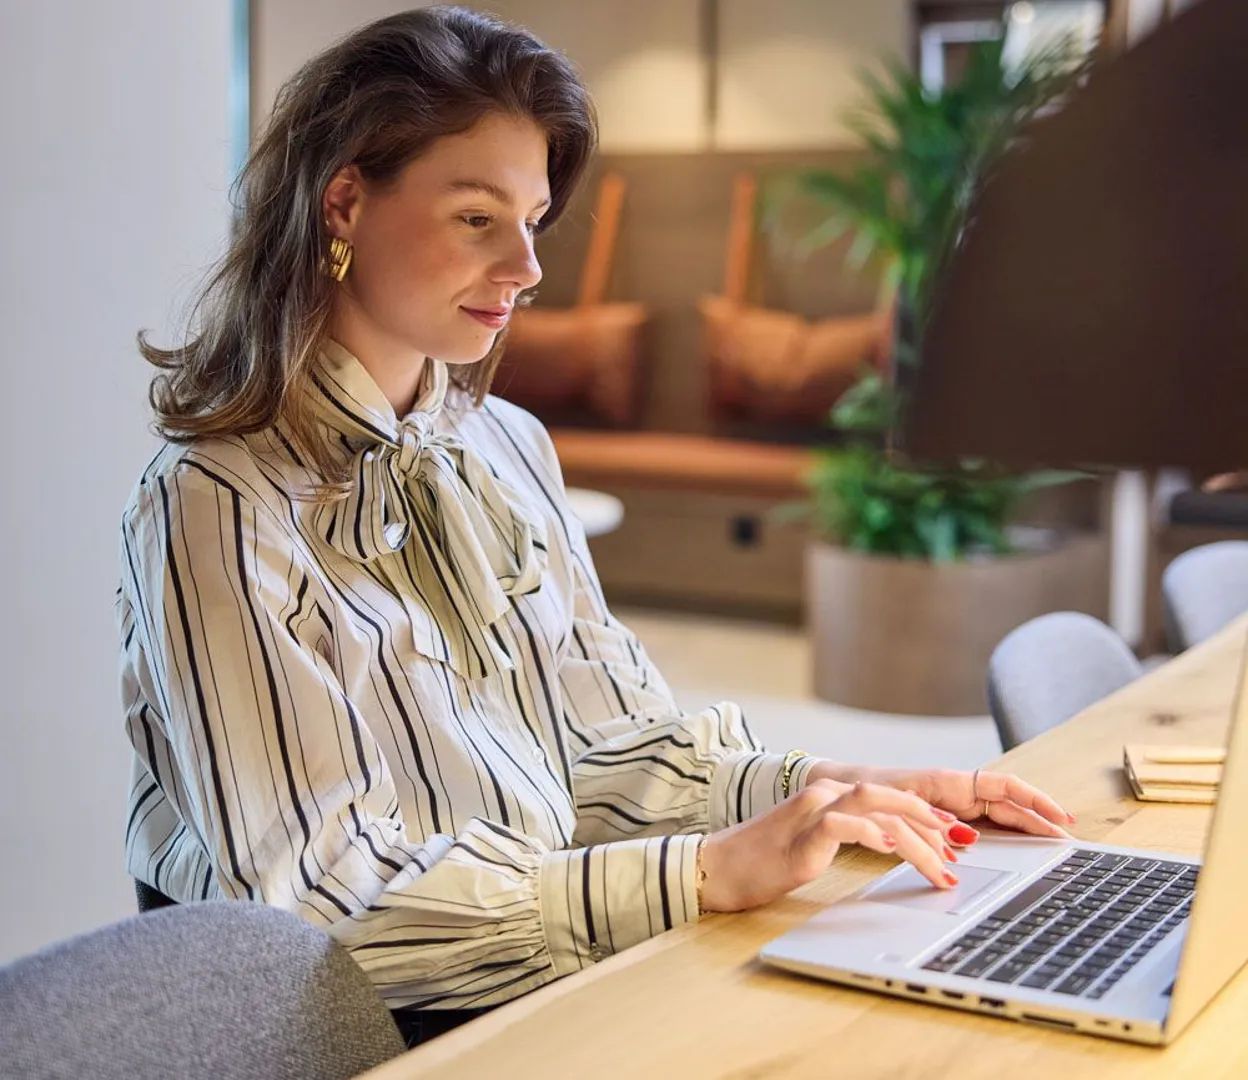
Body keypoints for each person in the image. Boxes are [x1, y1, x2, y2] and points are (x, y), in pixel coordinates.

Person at [116, 6, 1076, 1047]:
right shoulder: (216, 503)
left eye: (533, 219)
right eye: (477, 218)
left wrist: (829, 790)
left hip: (545, 969)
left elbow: (609, 749)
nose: (528, 266)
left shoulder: (507, 444)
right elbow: (322, 902)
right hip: (366, 1034)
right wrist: (696, 875)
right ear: (343, 202)